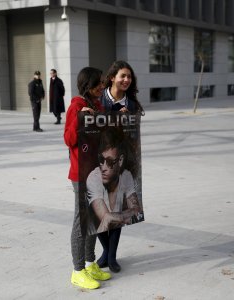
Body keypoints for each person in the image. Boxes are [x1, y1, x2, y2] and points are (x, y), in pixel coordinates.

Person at [64, 67, 111, 290]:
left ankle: (90, 262)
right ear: (87, 86)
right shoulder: (76, 106)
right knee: (81, 222)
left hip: (97, 172)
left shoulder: (99, 105)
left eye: (102, 83)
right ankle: (77, 270)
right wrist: (80, 117)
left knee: (94, 220)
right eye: (98, 84)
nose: (102, 87)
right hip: (81, 174)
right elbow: (69, 139)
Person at [96, 60, 145, 273]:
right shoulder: (98, 99)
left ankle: (112, 257)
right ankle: (106, 252)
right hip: (96, 162)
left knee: (118, 208)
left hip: (121, 162)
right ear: (112, 77)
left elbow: (133, 136)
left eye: (129, 77)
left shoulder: (132, 104)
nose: (126, 80)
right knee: (96, 210)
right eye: (122, 76)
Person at [86, 127, 143, 272]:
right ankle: (109, 254)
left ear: (121, 161)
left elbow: (136, 210)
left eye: (110, 162)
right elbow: (104, 218)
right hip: (98, 223)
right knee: (106, 218)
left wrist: (116, 215)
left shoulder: (126, 176)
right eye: (101, 160)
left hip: (116, 215)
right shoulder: (93, 178)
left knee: (116, 214)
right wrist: (121, 214)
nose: (104, 167)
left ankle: (110, 256)